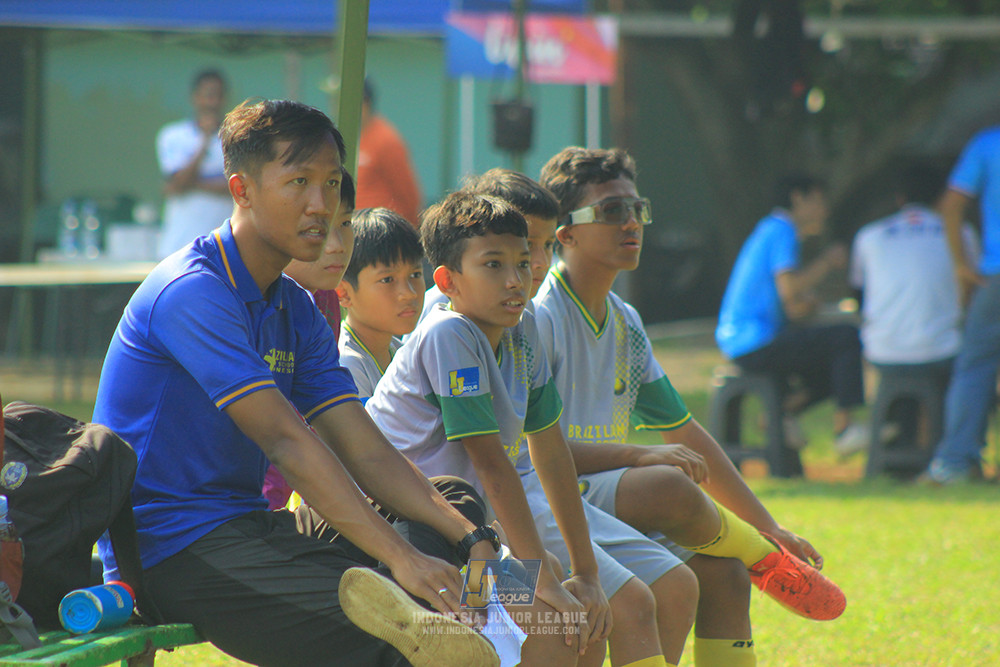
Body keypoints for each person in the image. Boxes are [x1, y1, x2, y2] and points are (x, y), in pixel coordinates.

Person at [93, 98, 505, 667]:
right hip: (173, 550)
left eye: (332, 184)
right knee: (401, 642)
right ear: (242, 191)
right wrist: (403, 559)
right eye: (299, 183)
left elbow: (364, 448)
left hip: (250, 529)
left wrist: (469, 537)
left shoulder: (295, 307)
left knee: (454, 506)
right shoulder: (192, 293)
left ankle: (435, 613)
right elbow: (289, 444)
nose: (321, 206)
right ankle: (420, 619)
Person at [536, 147, 846, 667]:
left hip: (611, 498)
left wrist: (770, 524)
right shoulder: (540, 315)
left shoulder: (625, 320)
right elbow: (535, 451)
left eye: (637, 209)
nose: (631, 223)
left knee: (723, 573)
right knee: (665, 483)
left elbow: (684, 429)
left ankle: (757, 550)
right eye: (612, 212)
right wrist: (638, 456)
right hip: (554, 495)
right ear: (564, 233)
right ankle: (759, 554)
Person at [367, 190, 695, 667]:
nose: (516, 280)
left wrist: (585, 573)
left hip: (469, 535)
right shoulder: (448, 334)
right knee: (556, 625)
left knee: (580, 616)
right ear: (449, 281)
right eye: (494, 265)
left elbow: (551, 450)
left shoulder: (525, 326)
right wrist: (539, 578)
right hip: (409, 534)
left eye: (523, 263)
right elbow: (492, 466)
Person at [715, 173, 868, 456]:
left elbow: (790, 303)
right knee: (847, 338)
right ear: (798, 198)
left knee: (833, 367)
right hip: (755, 341)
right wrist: (827, 262)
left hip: (742, 341)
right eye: (819, 201)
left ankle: (777, 416)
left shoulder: (769, 229)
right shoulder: (782, 228)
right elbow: (789, 290)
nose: (824, 210)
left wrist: (806, 304)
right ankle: (845, 429)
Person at [850, 164, 979, 448]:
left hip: (883, 352)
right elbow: (972, 294)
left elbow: (859, 295)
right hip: (943, 351)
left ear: (899, 199)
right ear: (941, 198)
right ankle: (948, 450)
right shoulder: (962, 234)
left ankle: (897, 450)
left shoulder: (869, 236)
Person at [260, 169, 357, 511]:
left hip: (302, 480)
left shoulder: (324, 297)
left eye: (345, 224)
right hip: (257, 494)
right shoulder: (257, 303)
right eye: (322, 228)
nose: (337, 246)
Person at [923, 125, 1000, 484]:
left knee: (974, 369)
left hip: (995, 276)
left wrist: (961, 266)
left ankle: (955, 463)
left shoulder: (987, 144)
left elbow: (951, 205)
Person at [419, 168, 560, 320]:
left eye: (548, 245)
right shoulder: (442, 310)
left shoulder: (524, 310)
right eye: (529, 244)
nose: (543, 262)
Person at [336, 207, 424, 400]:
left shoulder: (405, 354)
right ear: (344, 293)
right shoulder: (346, 365)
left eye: (415, 275)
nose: (409, 293)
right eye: (387, 280)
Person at [156, 69, 234, 259]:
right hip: (180, 246)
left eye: (218, 95)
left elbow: (239, 187)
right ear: (195, 97)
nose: (213, 102)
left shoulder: (236, 138)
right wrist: (204, 141)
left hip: (223, 249)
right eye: (208, 95)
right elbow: (179, 184)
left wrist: (190, 184)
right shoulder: (172, 135)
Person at [355, 77, 423, 227]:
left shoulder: (386, 140)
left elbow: (408, 195)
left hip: (380, 232)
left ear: (364, 103)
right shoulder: (353, 136)